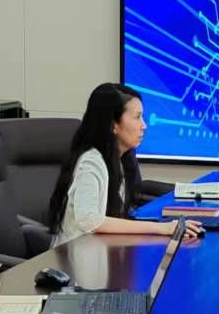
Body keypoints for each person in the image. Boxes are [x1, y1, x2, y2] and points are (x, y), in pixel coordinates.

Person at [49, 83, 202, 244]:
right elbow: (89, 220)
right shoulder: (91, 162)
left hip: (102, 249)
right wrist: (161, 228)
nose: (144, 125)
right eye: (137, 117)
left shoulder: (120, 160)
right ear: (113, 125)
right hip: (75, 254)